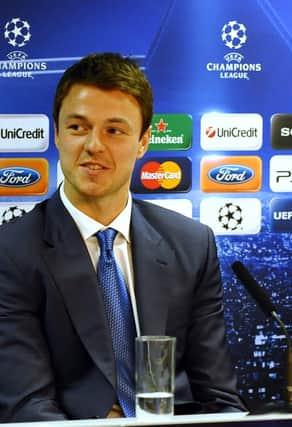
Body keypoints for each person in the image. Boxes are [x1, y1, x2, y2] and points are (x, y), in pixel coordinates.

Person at [0, 53, 246, 421]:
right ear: (57, 133)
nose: (94, 145)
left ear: (144, 141)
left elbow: (220, 399)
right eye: (78, 127)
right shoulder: (13, 250)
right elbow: (28, 407)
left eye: (114, 130)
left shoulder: (192, 244)